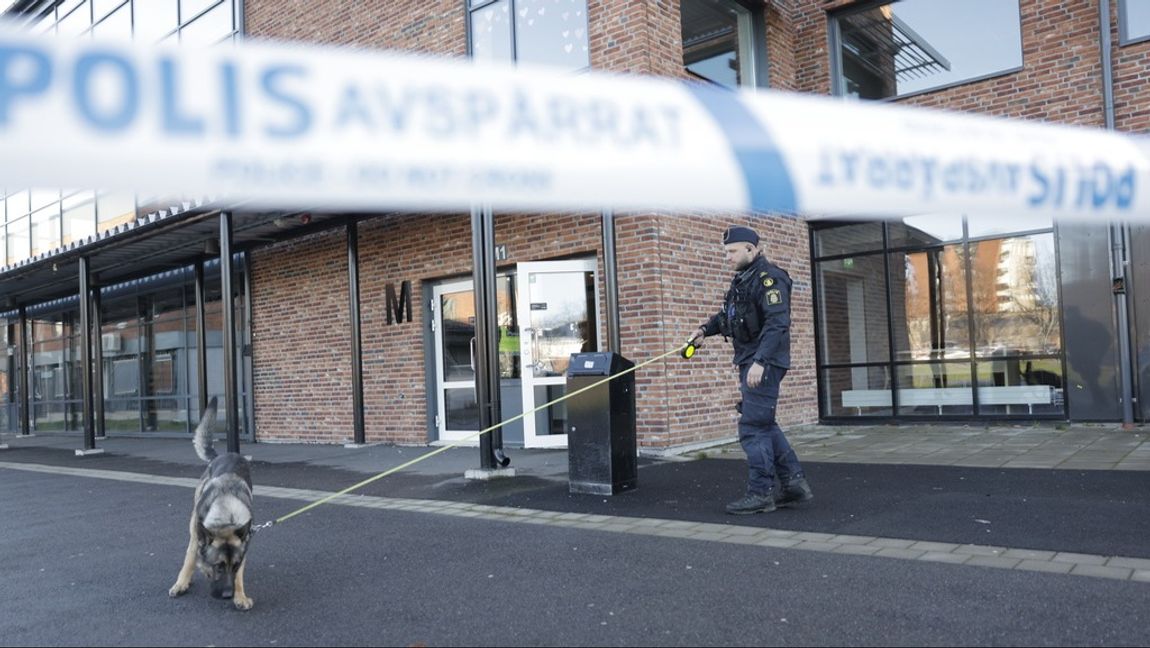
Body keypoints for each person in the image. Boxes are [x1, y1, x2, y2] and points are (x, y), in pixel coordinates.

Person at [688, 225, 812, 515]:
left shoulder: (770, 279)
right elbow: (728, 316)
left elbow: (777, 324)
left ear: (752, 249)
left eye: (732, 251)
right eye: (726, 252)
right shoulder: (742, 281)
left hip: (763, 363)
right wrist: (705, 330)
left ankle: (761, 493)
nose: (727, 257)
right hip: (751, 360)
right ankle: (794, 485)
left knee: (752, 428)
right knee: (764, 424)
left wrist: (761, 361)